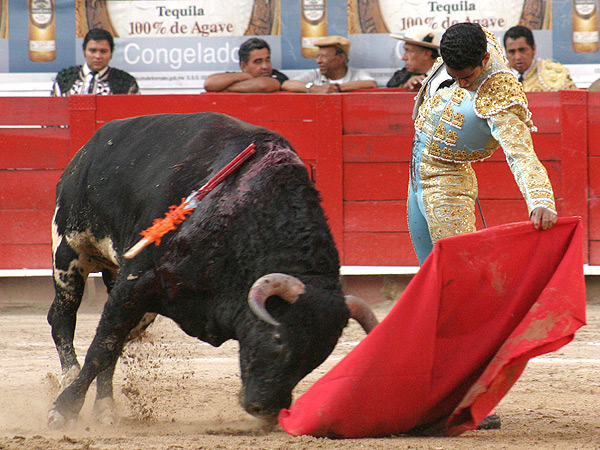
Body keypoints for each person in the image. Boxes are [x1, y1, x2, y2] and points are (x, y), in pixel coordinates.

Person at [408, 22, 558, 431]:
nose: (461, 83)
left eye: (467, 77)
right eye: (453, 74)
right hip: (416, 172)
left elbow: (521, 154)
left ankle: (472, 396)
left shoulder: (502, 92)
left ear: (486, 61)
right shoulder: (468, 44)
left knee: (460, 293)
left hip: (448, 181)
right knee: (433, 286)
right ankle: (432, 386)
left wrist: (540, 199)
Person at [51, 28, 139, 96]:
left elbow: (135, 117)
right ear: (84, 51)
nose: (98, 56)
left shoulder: (126, 82)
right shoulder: (64, 79)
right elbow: (54, 114)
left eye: (103, 51)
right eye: (92, 51)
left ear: (111, 53)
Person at [282, 36, 377, 93]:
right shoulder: (315, 74)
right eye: (318, 56)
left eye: (324, 56)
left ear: (340, 58)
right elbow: (287, 84)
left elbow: (371, 84)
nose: (318, 61)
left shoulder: (357, 74)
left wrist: (337, 88)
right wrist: (315, 89)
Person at [503, 25, 576, 92]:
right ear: (506, 53)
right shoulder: (497, 77)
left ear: (534, 49)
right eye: (511, 52)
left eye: (522, 50)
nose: (517, 57)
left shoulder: (557, 75)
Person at [204, 38, 288, 93]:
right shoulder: (239, 77)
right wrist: (244, 75)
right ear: (243, 66)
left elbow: (263, 86)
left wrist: (225, 89)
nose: (265, 66)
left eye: (267, 60)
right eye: (258, 62)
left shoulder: (278, 76)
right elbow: (209, 84)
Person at [387, 26, 440, 91]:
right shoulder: (402, 75)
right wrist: (405, 87)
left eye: (408, 51)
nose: (404, 57)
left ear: (426, 54)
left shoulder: (446, 76)